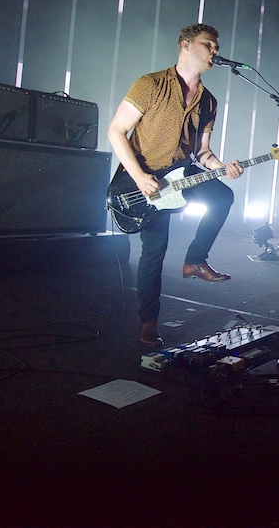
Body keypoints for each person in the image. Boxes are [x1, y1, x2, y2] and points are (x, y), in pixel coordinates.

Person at [107, 23, 244, 348]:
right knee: (154, 251)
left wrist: (222, 167)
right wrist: (140, 176)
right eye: (208, 44)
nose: (214, 51)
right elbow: (116, 131)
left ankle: (195, 260)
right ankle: (148, 323)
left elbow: (203, 153)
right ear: (185, 45)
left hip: (180, 175)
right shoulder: (150, 84)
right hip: (143, 181)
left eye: (216, 46)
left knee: (223, 194)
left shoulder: (207, 102)